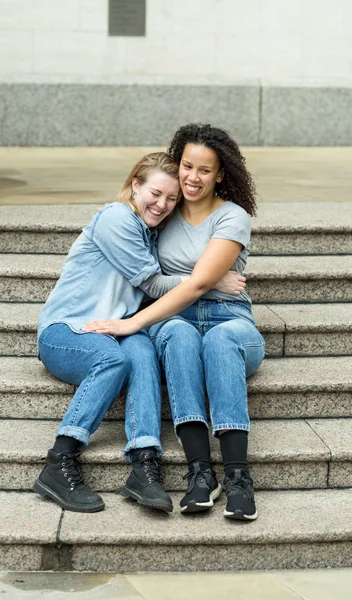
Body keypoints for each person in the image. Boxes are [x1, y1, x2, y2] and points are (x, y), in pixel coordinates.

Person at [34, 151, 244, 514]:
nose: (162, 204)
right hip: (68, 331)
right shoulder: (116, 218)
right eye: (155, 194)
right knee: (113, 359)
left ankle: (144, 465)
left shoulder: (149, 233)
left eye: (172, 198)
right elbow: (152, 282)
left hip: (112, 330)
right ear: (135, 185)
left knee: (143, 351)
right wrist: (210, 281)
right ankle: (60, 458)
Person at [83, 124, 265, 521]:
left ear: (220, 174)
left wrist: (133, 324)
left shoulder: (232, 217)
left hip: (229, 319)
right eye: (187, 166)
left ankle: (238, 476)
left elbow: (200, 282)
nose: (192, 178)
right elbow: (144, 266)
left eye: (204, 170)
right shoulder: (163, 211)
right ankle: (201, 472)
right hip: (175, 318)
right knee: (180, 336)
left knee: (219, 342)